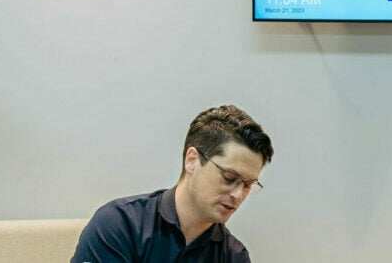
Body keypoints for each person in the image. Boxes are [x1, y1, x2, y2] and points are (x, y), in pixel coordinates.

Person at [72, 105, 274, 262]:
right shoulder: (119, 225)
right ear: (192, 160)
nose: (238, 194)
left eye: (248, 184)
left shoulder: (233, 256)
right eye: (229, 177)